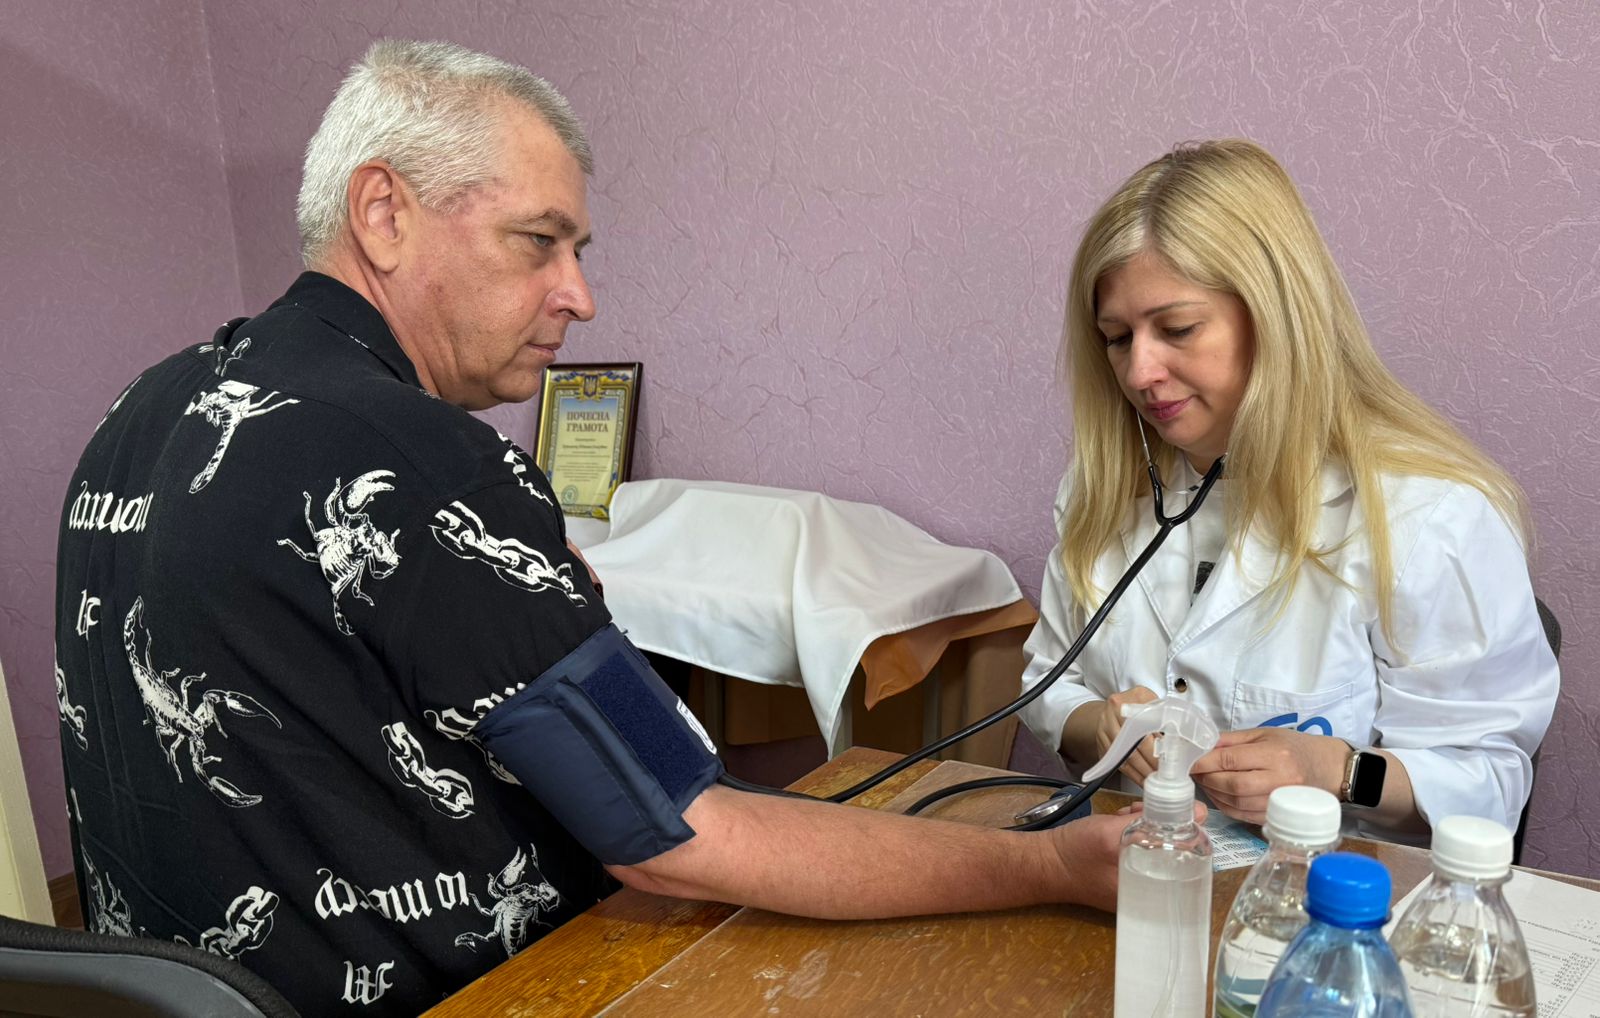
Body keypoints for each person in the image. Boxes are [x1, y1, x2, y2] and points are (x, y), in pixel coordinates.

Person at [53, 40, 1131, 1016]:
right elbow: (681, 830)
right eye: (539, 241)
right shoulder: (421, 460)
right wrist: (1046, 866)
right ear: (383, 212)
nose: (579, 294)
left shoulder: (142, 408)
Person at [1018, 139, 1559, 845]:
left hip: (1329, 895)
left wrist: (1334, 769)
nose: (1140, 372)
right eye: (1118, 338)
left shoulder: (1431, 515)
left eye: (1177, 328)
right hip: (1142, 872)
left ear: (1274, 317)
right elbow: (1048, 683)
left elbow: (1489, 779)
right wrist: (1102, 726)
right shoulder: (1105, 490)